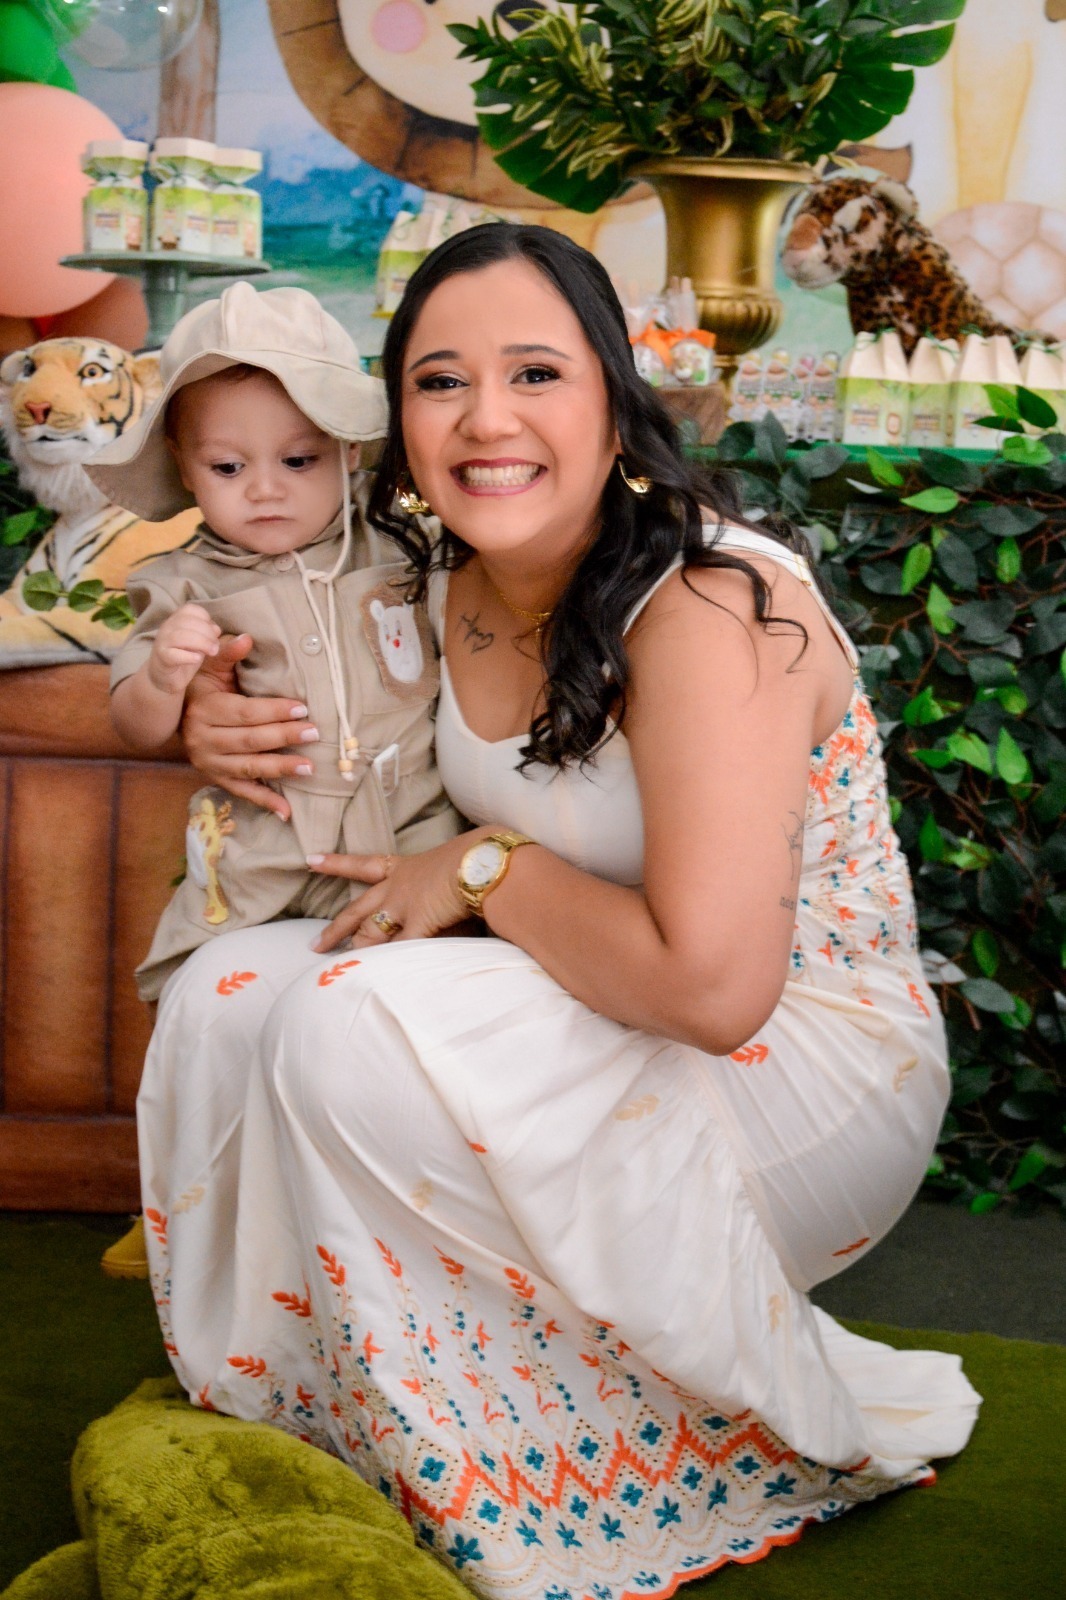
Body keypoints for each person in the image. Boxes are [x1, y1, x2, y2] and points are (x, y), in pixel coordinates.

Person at [137, 224, 979, 1600]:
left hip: (793, 1061)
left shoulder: (708, 600)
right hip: (582, 996)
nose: (486, 420)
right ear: (394, 419)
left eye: (534, 372)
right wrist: (207, 719)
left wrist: (484, 867)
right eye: (439, 381)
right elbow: (217, 669)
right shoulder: (430, 575)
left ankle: (539, 1456)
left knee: (350, 1023)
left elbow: (714, 994)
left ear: (610, 397)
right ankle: (338, 1402)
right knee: (231, 995)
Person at [88, 280, 458, 1004]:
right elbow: (134, 723)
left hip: (414, 832)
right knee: (207, 997)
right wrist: (163, 678)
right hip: (268, 853)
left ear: (348, 449)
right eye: (228, 468)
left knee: (416, 996)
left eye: (298, 461)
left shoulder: (401, 541)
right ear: (183, 465)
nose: (264, 490)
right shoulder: (184, 583)